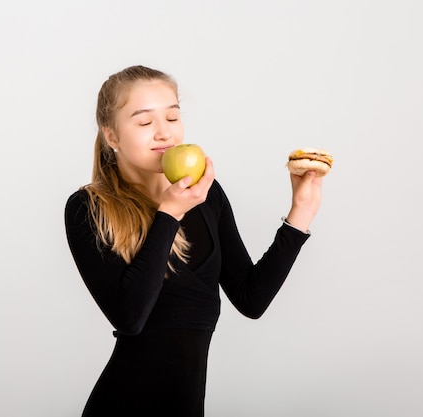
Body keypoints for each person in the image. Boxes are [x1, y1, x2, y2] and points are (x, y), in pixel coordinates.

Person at [64, 65, 323, 417]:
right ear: (111, 137)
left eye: (172, 118)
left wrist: (300, 214)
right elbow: (130, 318)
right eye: (144, 123)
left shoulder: (207, 196)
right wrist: (169, 214)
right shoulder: (87, 208)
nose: (164, 133)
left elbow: (251, 299)